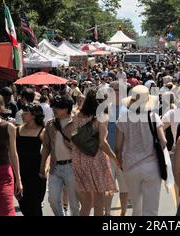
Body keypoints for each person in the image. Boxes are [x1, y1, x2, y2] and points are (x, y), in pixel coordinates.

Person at [116, 85, 167, 216]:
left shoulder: (123, 119)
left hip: (130, 165)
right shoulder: (154, 117)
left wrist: (120, 162)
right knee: (151, 209)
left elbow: (118, 146)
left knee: (136, 207)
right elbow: (163, 141)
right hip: (152, 164)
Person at [71, 89, 118, 216]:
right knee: (99, 202)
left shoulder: (75, 116)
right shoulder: (101, 118)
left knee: (86, 204)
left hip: (78, 160)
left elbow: (71, 138)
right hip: (96, 159)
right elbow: (102, 143)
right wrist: (115, 158)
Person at [40, 95, 80, 216]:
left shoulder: (77, 122)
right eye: (53, 107)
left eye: (57, 107)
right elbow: (46, 147)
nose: (54, 109)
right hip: (55, 167)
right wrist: (42, 166)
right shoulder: (50, 124)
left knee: (74, 202)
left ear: (66, 109)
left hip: (72, 166)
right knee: (52, 200)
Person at [16, 104, 47, 216]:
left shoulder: (42, 131)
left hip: (36, 173)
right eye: (23, 111)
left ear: (34, 115)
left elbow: (48, 151)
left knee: (35, 205)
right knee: (23, 204)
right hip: (20, 172)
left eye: (26, 112)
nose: (22, 114)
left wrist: (45, 168)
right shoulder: (17, 130)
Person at [105, 81, 129, 216]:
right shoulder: (106, 109)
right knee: (108, 186)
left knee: (124, 187)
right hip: (108, 155)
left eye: (117, 90)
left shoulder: (128, 109)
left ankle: (123, 213)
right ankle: (107, 213)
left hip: (124, 155)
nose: (115, 92)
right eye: (113, 90)